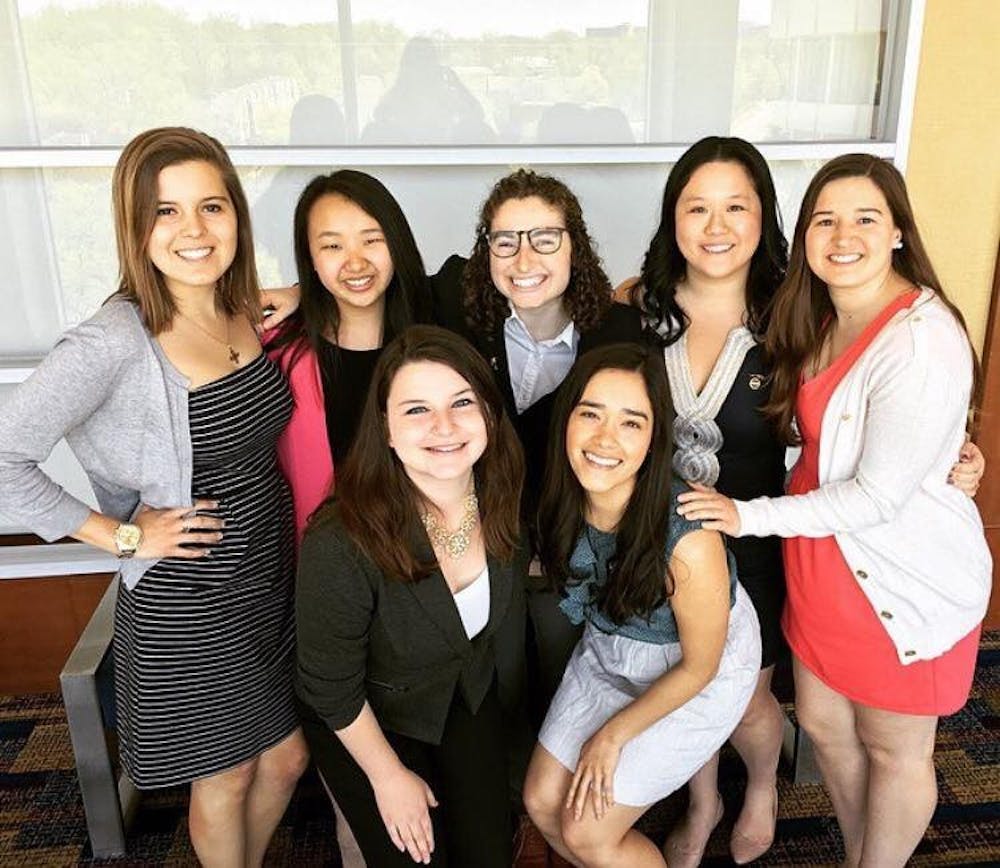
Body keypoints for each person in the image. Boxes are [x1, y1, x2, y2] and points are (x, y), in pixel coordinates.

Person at [620, 136, 986, 866]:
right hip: (791, 557)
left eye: (865, 220)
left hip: (863, 563)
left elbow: (886, 466)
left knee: (889, 744)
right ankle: (843, 847)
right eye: (827, 220)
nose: (843, 238)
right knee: (820, 721)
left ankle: (814, 824)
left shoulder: (810, 314)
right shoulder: (809, 309)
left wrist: (952, 458)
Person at [0, 127, 307, 866]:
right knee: (228, 772)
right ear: (134, 227)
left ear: (238, 213)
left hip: (267, 580)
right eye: (165, 212)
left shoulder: (241, 308)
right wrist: (122, 536)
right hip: (189, 594)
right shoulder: (113, 341)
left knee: (288, 758)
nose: (194, 231)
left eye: (211, 207)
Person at [295, 325, 531, 867]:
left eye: (462, 403)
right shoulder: (341, 540)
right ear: (387, 429)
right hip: (366, 714)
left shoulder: (507, 497)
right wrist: (387, 777)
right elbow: (329, 685)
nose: (444, 427)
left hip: (461, 695)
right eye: (417, 410)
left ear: (489, 415)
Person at [522, 343, 761, 867]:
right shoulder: (560, 494)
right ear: (567, 419)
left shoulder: (688, 538)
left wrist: (612, 735)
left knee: (587, 834)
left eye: (632, 423)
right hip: (613, 646)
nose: (605, 439)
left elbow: (701, 666)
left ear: (655, 439)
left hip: (698, 668)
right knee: (541, 801)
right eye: (590, 414)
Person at [266, 168, 431, 539]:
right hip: (317, 567)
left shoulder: (438, 339)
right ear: (309, 256)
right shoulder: (276, 352)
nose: (355, 263)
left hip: (421, 566)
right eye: (332, 246)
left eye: (371, 240)